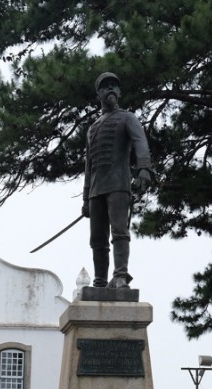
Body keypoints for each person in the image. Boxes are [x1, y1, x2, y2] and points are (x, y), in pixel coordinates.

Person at [82, 72, 153, 289]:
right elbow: (88, 166)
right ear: (99, 94)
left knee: (119, 232)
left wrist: (144, 169)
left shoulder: (127, 118)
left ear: (119, 91)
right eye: (105, 86)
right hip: (96, 190)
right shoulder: (92, 128)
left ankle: (121, 275)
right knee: (97, 239)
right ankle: (100, 281)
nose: (110, 88)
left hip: (118, 185)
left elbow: (140, 142)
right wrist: (85, 198)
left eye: (114, 85)